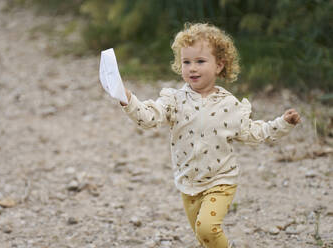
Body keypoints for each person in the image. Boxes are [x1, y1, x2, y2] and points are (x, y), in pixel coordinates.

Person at [119, 23, 301, 248]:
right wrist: (128, 100)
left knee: (207, 227)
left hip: (221, 180)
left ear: (219, 65)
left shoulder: (229, 105)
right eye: (186, 62)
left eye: (200, 61)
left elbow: (255, 132)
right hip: (188, 181)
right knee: (203, 236)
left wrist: (282, 123)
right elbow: (148, 118)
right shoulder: (174, 100)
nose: (192, 68)